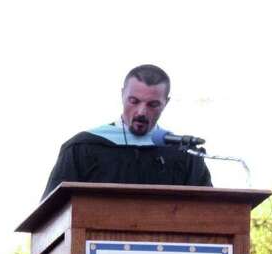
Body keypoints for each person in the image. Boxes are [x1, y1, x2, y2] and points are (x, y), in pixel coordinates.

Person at [43, 64, 213, 196]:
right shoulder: (83, 148)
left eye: (152, 104)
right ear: (122, 95)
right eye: (134, 101)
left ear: (165, 103)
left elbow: (209, 213)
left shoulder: (184, 155)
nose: (141, 112)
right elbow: (52, 217)